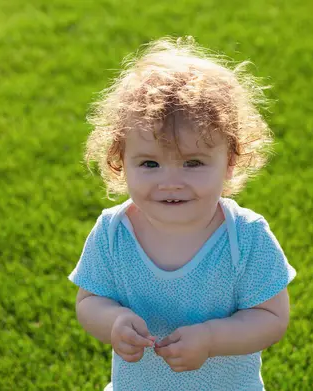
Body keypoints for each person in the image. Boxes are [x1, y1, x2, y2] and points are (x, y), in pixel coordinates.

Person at [69, 36, 297, 390]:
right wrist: (113, 322)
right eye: (149, 163)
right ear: (120, 162)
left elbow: (271, 317)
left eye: (193, 162)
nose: (170, 182)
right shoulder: (113, 233)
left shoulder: (245, 237)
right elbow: (90, 301)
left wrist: (211, 339)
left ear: (230, 163)